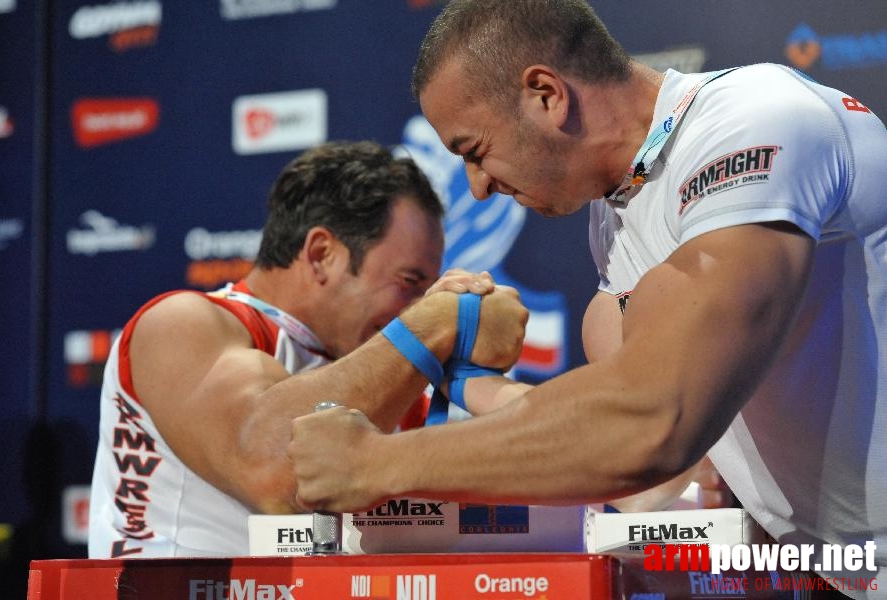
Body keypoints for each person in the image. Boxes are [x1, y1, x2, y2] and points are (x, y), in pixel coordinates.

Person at [287, 1, 887, 594]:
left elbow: (651, 424)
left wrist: (376, 465)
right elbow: (632, 439)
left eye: (474, 151)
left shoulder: (755, 122)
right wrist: (466, 380)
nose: (477, 187)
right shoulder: (617, 210)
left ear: (547, 94)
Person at [87, 140, 529, 558]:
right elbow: (278, 471)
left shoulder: (391, 362)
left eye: (427, 291)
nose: (416, 306)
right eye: (410, 283)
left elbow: (531, 463)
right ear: (321, 254)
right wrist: (438, 322)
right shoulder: (182, 325)